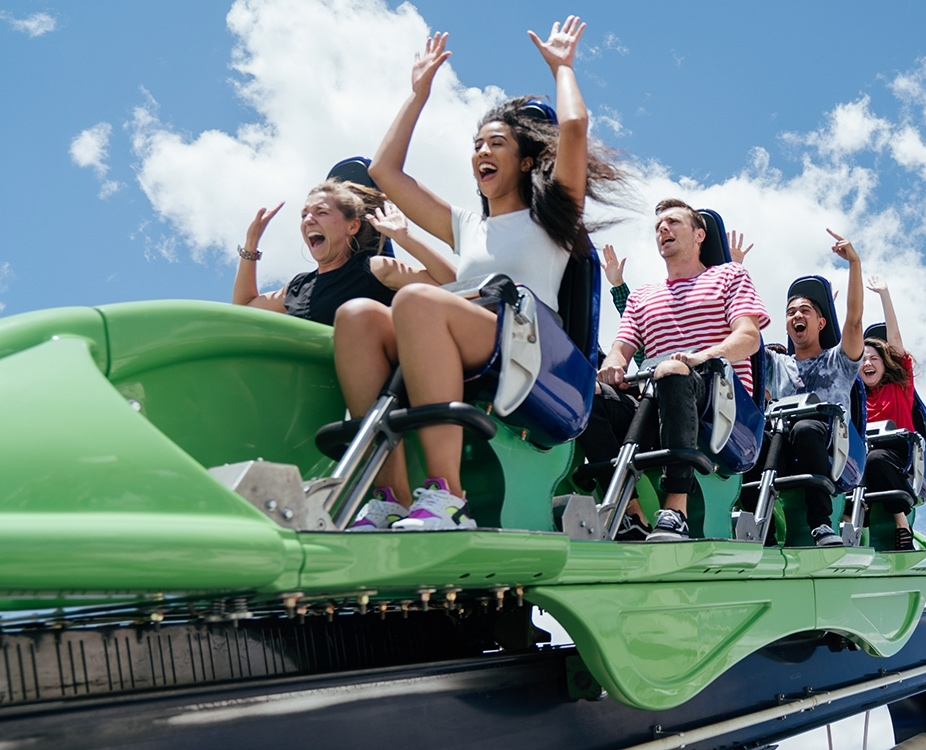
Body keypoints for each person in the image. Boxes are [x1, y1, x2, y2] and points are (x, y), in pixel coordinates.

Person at [336, 17, 626, 531]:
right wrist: (418, 94)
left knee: (417, 301)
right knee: (357, 315)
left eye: (495, 144)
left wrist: (562, 68)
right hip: (464, 333)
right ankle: (391, 496)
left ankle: (446, 496)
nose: (481, 153)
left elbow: (575, 128)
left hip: (532, 351)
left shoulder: (552, 218)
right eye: (476, 145)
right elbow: (384, 173)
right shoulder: (466, 225)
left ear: (526, 160)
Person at [581, 199, 770, 542]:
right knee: (587, 391)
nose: (663, 229)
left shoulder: (729, 275)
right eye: (658, 227)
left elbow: (749, 337)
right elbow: (621, 350)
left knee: (670, 370)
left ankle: (676, 510)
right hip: (656, 401)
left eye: (673, 222)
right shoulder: (641, 298)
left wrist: (700, 358)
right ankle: (632, 514)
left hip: (719, 401)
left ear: (700, 235)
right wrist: (612, 368)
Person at [760, 230, 865, 547]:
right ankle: (758, 523)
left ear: (821, 322)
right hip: (783, 438)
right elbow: (741, 337)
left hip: (828, 441)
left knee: (805, 428)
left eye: (805, 310)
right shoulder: (777, 364)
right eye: (791, 312)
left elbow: (855, 321)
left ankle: (821, 524)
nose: (796, 316)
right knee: (761, 437)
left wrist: (855, 264)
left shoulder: (838, 361)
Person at [231, 180, 454, 325]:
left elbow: (454, 285)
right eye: (304, 215)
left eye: (321, 212)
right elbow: (243, 311)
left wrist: (404, 237)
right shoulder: (297, 288)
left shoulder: (375, 269)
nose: (309, 220)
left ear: (352, 226)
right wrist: (251, 244)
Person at [600, 233, 753, 366]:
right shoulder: (652, 331)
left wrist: (732, 266)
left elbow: (744, 337)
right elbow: (635, 320)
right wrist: (618, 284)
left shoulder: (725, 294)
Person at [859, 276, 919, 551]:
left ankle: (900, 522)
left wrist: (884, 295)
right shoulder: (857, 397)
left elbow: (894, 341)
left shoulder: (899, 386)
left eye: (873, 358)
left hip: (896, 453)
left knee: (875, 458)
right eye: (862, 360)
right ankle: (850, 517)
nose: (867, 363)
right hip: (864, 451)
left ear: (884, 363)